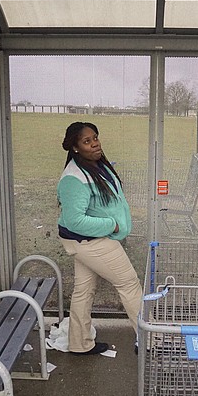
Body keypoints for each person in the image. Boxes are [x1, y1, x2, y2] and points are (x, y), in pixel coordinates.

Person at [57, 121, 143, 355]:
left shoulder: (94, 165)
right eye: (87, 141)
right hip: (90, 241)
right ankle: (152, 343)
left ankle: (79, 343)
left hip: (87, 240)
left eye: (95, 137)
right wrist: (112, 224)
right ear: (75, 148)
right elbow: (74, 220)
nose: (94, 143)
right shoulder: (73, 178)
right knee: (129, 285)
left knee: (83, 291)